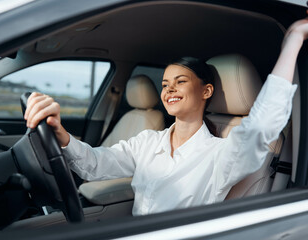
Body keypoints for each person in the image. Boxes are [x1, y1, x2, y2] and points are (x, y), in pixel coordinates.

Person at [24, 17, 308, 216]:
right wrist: (60, 133)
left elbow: (261, 127)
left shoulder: (221, 155)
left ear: (206, 90)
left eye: (181, 81)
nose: (169, 89)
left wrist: (294, 39)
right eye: (164, 84)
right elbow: (96, 165)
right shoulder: (147, 141)